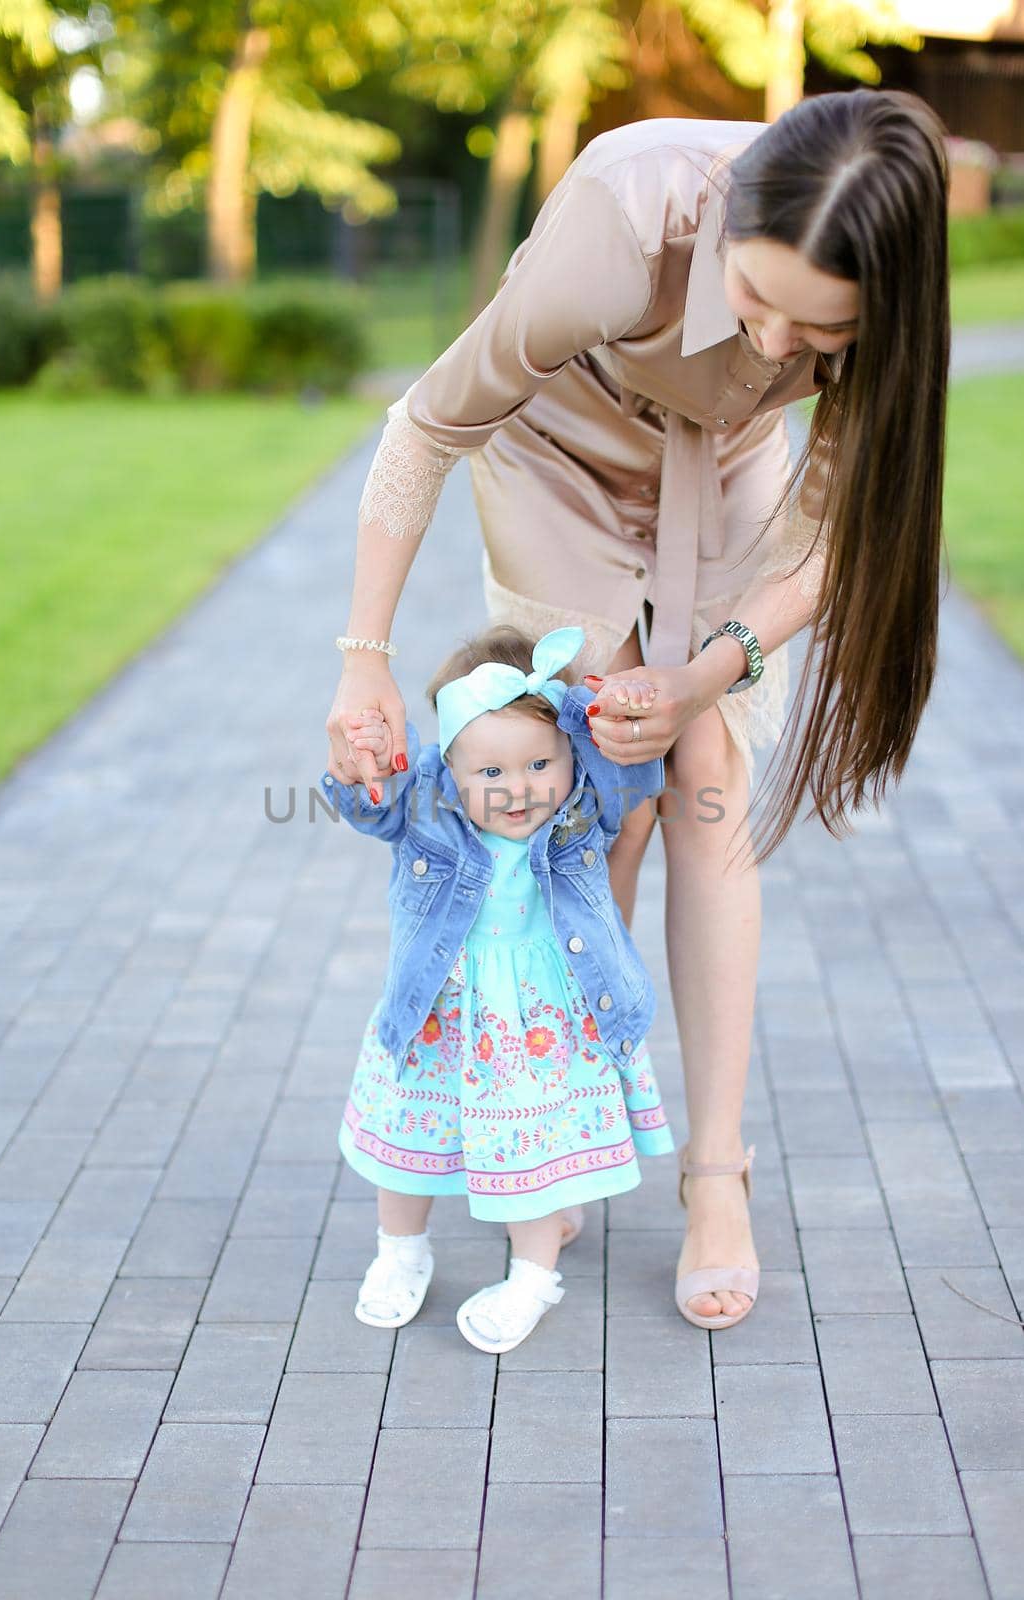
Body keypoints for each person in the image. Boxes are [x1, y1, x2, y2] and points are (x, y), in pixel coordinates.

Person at [326, 90, 950, 1330]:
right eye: (752, 298)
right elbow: (425, 429)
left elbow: (834, 543)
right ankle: (547, 1115)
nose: (774, 344)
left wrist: (707, 671)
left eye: (817, 331)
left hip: (720, 470)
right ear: (726, 225)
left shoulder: (874, 318)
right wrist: (363, 656)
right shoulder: (621, 224)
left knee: (700, 768)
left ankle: (713, 1170)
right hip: (555, 446)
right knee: (603, 772)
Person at [321, 624, 674, 1353]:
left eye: (539, 762)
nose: (518, 790)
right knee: (405, 1136)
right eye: (490, 775)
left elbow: (630, 777)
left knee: (533, 1148)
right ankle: (400, 1251)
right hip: (439, 1011)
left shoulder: (579, 808)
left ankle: (532, 1277)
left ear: (570, 756)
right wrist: (363, 760)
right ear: (447, 773)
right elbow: (368, 804)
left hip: (543, 1021)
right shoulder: (424, 806)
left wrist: (598, 713)